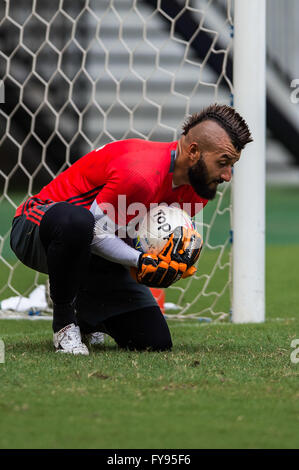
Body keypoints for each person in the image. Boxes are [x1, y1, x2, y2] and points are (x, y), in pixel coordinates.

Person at [10, 104, 252, 355]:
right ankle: (64, 323)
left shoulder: (198, 191)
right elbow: (95, 232)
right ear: (193, 151)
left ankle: (86, 314)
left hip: (96, 251)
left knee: (153, 341)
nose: (227, 176)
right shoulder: (141, 174)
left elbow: (140, 241)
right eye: (223, 163)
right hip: (38, 227)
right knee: (78, 223)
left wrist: (166, 264)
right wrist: (141, 260)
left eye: (231, 164)